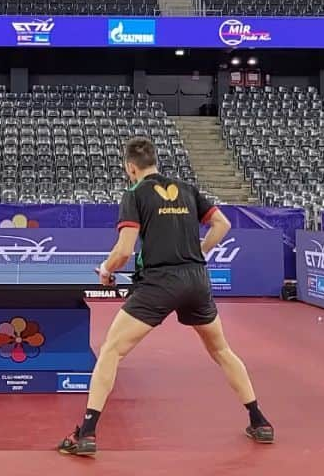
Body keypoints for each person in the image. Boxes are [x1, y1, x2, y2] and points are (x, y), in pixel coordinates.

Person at [58, 136, 274, 457]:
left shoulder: (134, 194)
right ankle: (260, 421)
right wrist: (198, 251)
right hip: (196, 281)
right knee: (222, 351)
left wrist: (105, 269)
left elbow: (124, 250)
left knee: (111, 351)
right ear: (154, 161)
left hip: (158, 283)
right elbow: (222, 223)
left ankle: (86, 433)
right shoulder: (186, 189)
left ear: (131, 168)